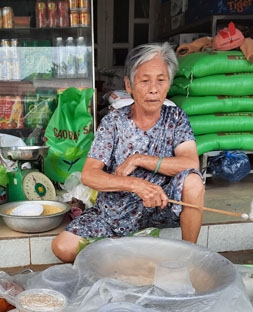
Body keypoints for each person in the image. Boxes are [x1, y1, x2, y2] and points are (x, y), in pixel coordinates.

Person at [51, 42, 205, 263]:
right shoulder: (113, 122)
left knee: (193, 182)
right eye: (144, 81)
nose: (154, 89)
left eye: (161, 80)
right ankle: (126, 251)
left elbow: (190, 163)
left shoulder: (176, 118)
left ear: (169, 84)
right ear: (129, 85)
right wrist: (136, 185)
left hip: (159, 210)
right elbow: (90, 175)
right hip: (115, 212)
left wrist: (140, 159)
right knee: (62, 247)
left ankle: (189, 257)